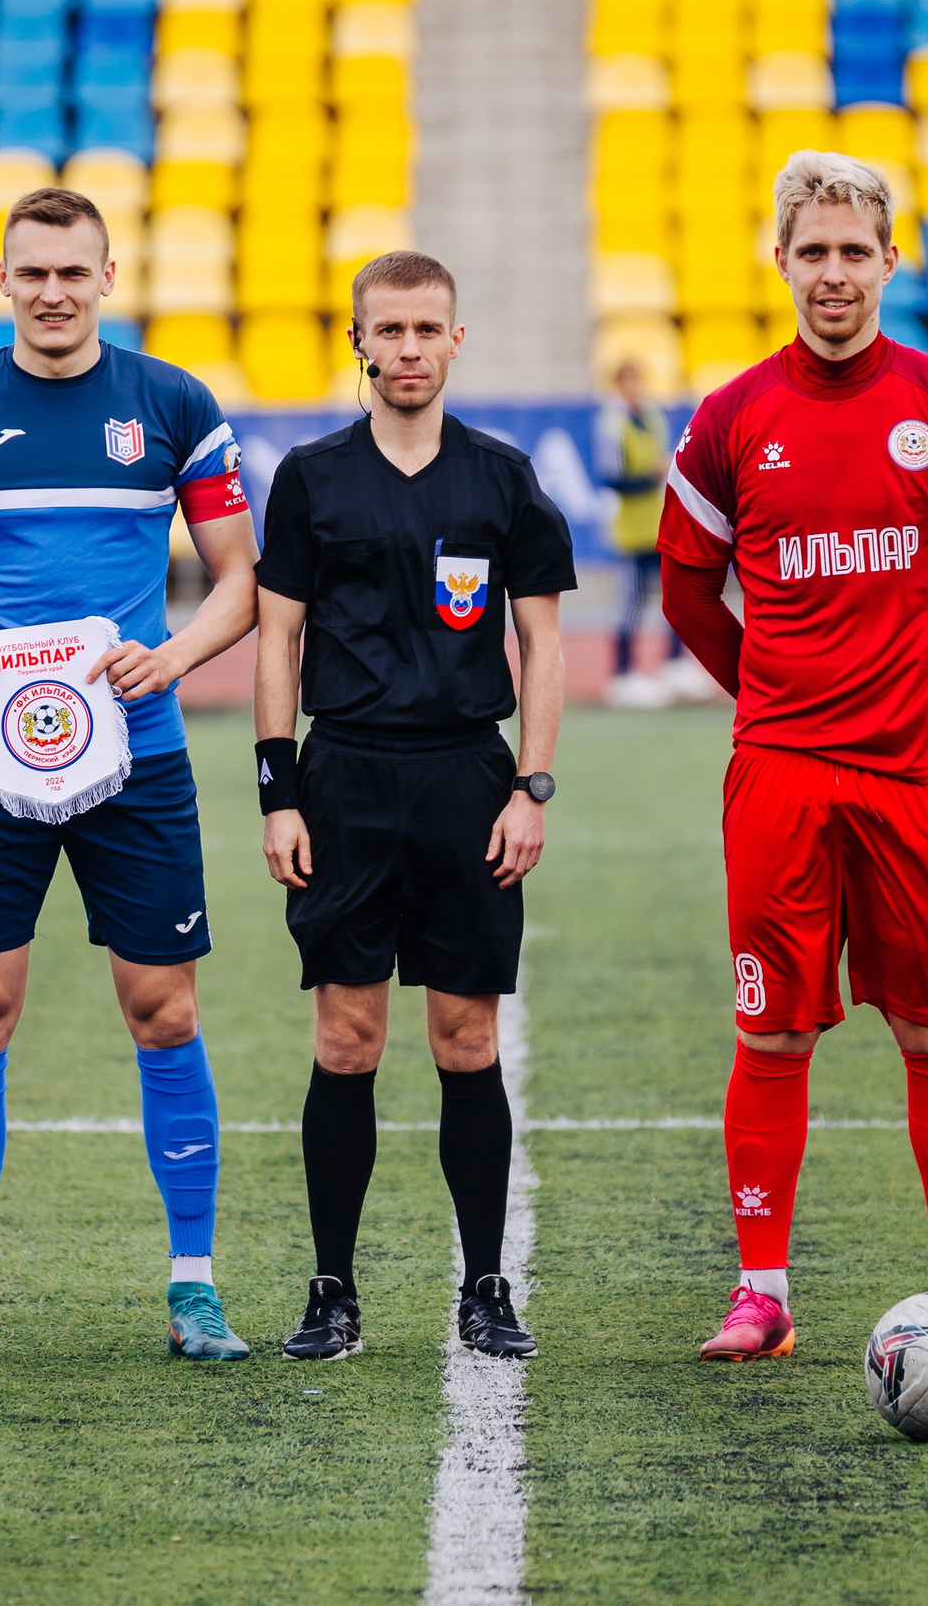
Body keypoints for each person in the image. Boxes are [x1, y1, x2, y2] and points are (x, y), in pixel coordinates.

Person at [0, 188, 261, 1365]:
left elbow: (239, 574)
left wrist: (174, 653)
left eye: (72, 271)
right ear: (1, 279)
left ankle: (194, 1287)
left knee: (164, 1006)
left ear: (108, 275)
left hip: (137, 748)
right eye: (31, 272)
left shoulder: (172, 403)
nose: (52, 291)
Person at [658, 152, 928, 1362]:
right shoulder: (729, 419)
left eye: (853, 250)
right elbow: (684, 589)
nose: (833, 272)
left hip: (925, 779)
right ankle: (760, 1291)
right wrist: (774, 696)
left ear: (890, 259)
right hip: (782, 773)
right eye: (811, 250)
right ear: (781, 260)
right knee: (770, 1031)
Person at [253, 250, 575, 1362]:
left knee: (464, 1036)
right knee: (346, 1038)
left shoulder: (501, 477)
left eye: (425, 329)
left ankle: (484, 1284)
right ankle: (331, 1286)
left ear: (455, 341)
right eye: (386, 330)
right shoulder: (308, 477)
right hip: (343, 777)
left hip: (465, 780)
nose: (406, 349)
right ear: (358, 340)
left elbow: (539, 642)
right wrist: (277, 789)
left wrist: (531, 783)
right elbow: (278, 639)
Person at [595, 358, 696, 708]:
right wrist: (653, 474)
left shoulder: (653, 416)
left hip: (657, 525)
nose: (634, 387)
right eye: (627, 380)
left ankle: (673, 664)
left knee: (675, 599)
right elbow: (612, 478)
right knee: (630, 604)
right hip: (629, 529)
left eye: (637, 379)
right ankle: (623, 674)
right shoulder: (612, 424)